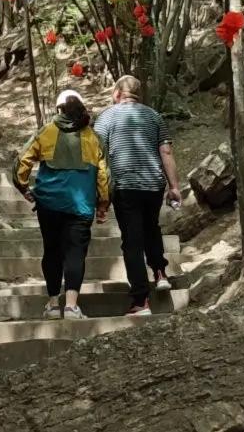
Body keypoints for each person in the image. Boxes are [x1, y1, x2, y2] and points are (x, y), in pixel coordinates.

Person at [14, 88, 110, 320]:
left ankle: (52, 305)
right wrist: (103, 204)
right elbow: (103, 176)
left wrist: (24, 188)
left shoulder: (46, 132)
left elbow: (21, 163)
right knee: (75, 253)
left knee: (52, 251)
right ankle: (71, 307)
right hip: (81, 206)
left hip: (49, 205)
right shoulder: (93, 137)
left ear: (59, 109)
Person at [94, 74, 182, 316]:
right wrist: (174, 186)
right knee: (151, 227)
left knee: (132, 241)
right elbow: (166, 151)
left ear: (116, 94)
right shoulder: (154, 116)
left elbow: (97, 156)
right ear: (138, 95)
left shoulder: (106, 117)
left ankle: (141, 300)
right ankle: (161, 273)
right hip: (153, 184)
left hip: (125, 185)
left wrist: (100, 196)